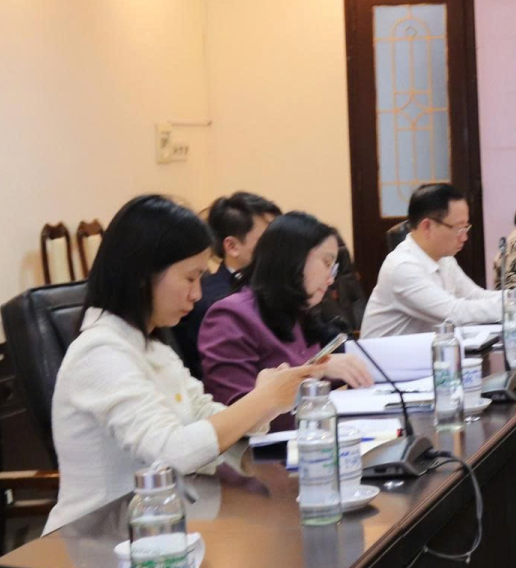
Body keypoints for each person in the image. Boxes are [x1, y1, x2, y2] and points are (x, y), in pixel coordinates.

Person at [45, 196, 315, 532]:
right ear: (143, 274)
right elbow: (171, 453)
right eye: (190, 278)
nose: (197, 294)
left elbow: (204, 414)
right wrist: (263, 400)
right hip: (96, 540)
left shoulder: (152, 347)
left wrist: (265, 403)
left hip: (162, 528)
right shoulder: (99, 352)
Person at [198, 212, 376, 409]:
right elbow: (238, 412)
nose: (330, 279)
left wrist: (338, 370)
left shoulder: (297, 311)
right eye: (326, 263)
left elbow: (306, 376)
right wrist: (319, 370)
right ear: (294, 258)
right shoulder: (230, 316)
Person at [362, 182, 500, 336]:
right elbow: (455, 313)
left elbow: (475, 295)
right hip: (386, 352)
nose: (464, 237)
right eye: (458, 228)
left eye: (466, 227)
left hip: (425, 349)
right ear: (427, 226)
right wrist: (512, 306)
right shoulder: (402, 267)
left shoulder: (444, 258)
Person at [169, 191, 280, 374]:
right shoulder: (211, 301)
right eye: (269, 239)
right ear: (232, 246)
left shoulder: (273, 289)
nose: (280, 248)